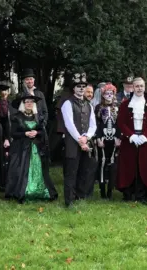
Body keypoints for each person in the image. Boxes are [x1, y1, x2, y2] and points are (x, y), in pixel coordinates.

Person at [6, 96, 58, 203]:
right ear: (23, 104)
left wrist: (36, 133)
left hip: (36, 148)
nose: (29, 103)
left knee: (40, 169)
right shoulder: (16, 117)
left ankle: (40, 191)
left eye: (31, 102)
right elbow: (13, 133)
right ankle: (23, 192)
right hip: (21, 149)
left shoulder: (37, 117)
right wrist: (25, 133)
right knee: (19, 170)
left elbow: (42, 132)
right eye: (27, 102)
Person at [116, 77, 147, 203]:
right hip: (130, 140)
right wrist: (131, 136)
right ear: (133, 88)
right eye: (137, 86)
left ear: (144, 87)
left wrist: (145, 136)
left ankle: (141, 194)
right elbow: (121, 123)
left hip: (144, 140)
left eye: (141, 86)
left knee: (143, 167)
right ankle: (128, 193)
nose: (139, 88)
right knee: (128, 165)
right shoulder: (124, 104)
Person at [61, 72, 97, 207]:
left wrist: (87, 137)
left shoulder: (89, 105)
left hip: (86, 142)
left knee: (84, 170)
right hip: (72, 143)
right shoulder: (67, 104)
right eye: (78, 86)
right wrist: (80, 139)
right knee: (71, 172)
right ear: (73, 88)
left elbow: (93, 125)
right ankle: (69, 200)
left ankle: (81, 197)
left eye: (83, 86)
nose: (81, 88)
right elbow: (69, 124)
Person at [95, 83, 120, 199]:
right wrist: (98, 138)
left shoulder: (118, 107)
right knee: (102, 163)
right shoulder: (99, 108)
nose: (109, 96)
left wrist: (119, 138)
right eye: (106, 94)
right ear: (103, 95)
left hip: (114, 140)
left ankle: (110, 189)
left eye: (111, 93)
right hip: (103, 139)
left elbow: (119, 124)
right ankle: (102, 191)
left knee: (113, 164)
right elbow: (97, 124)